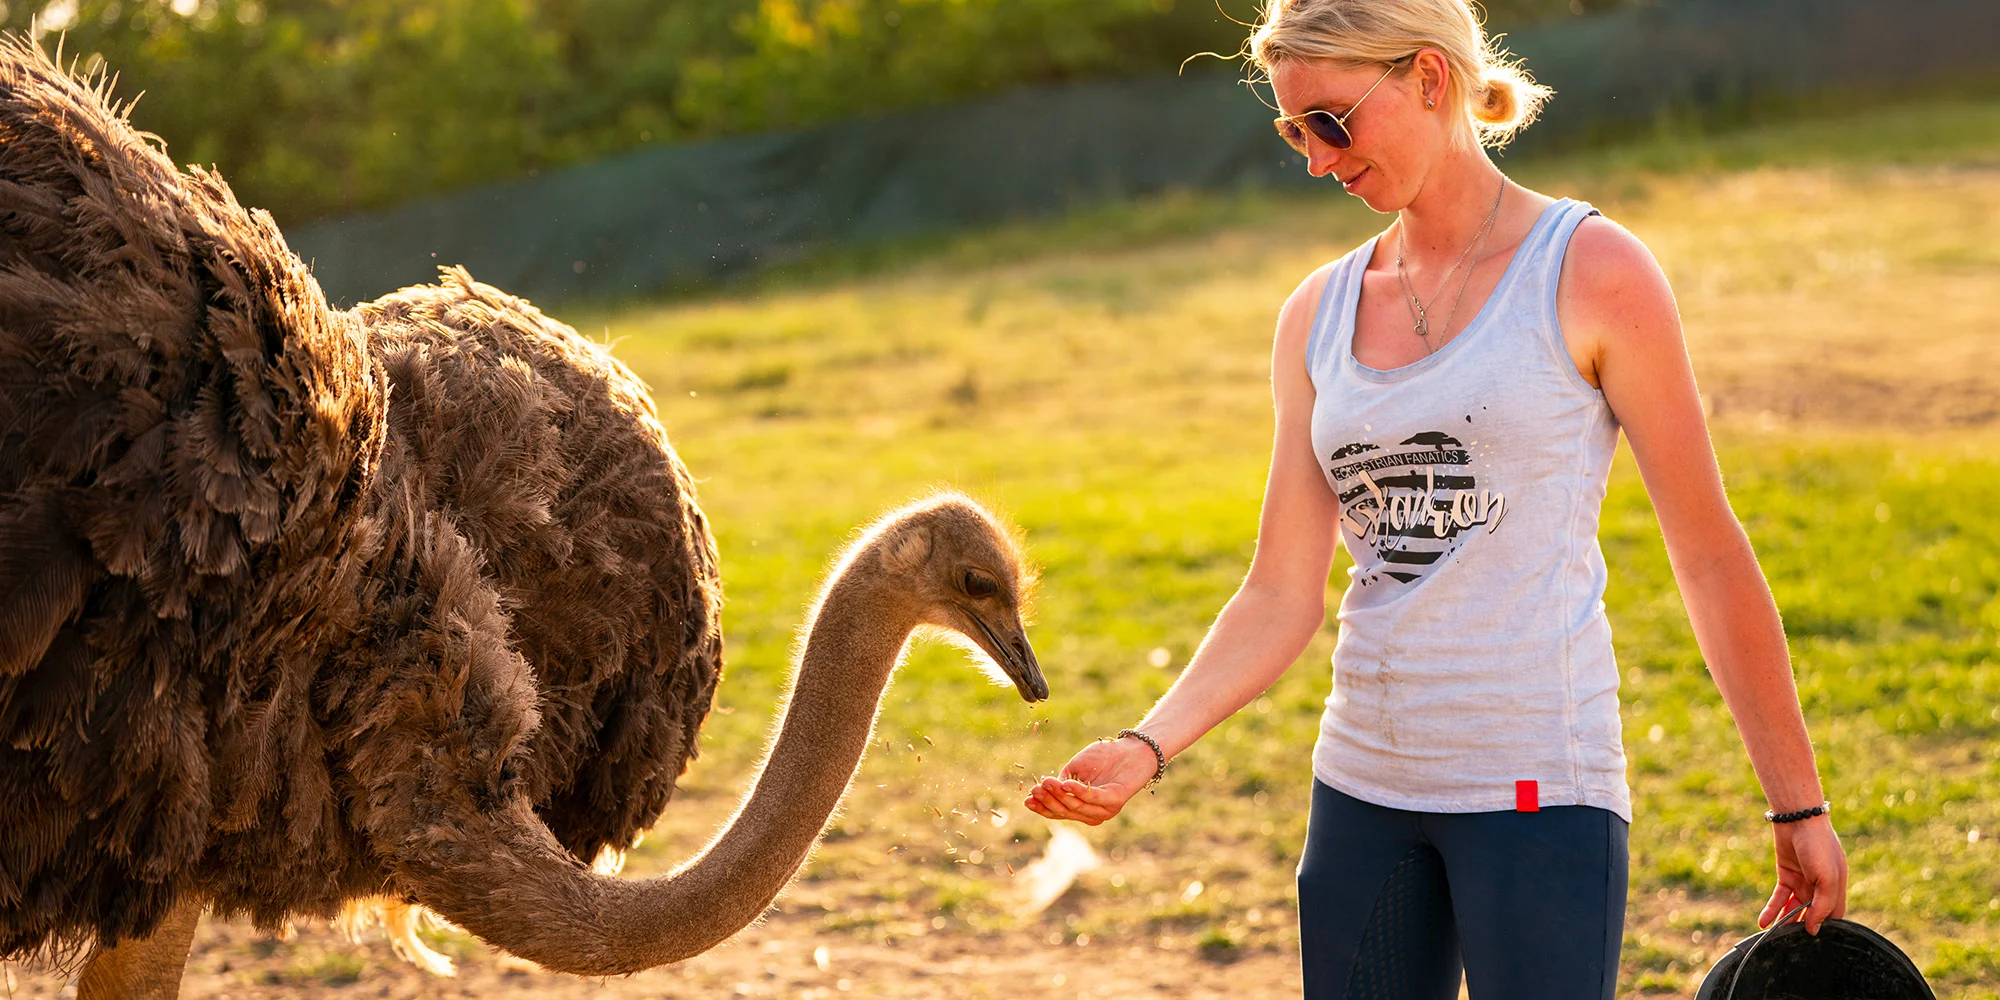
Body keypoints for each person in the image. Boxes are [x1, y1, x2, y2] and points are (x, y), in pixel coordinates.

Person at [1021, 1, 1849, 996]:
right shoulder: (1315, 314)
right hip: (1361, 784)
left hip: (1537, 791)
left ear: (1426, 78)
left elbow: (1706, 550)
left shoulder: (1590, 272)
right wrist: (1145, 744)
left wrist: (1794, 806)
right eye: (1292, 130)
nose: (1317, 160)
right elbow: (1280, 590)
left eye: (1331, 121)